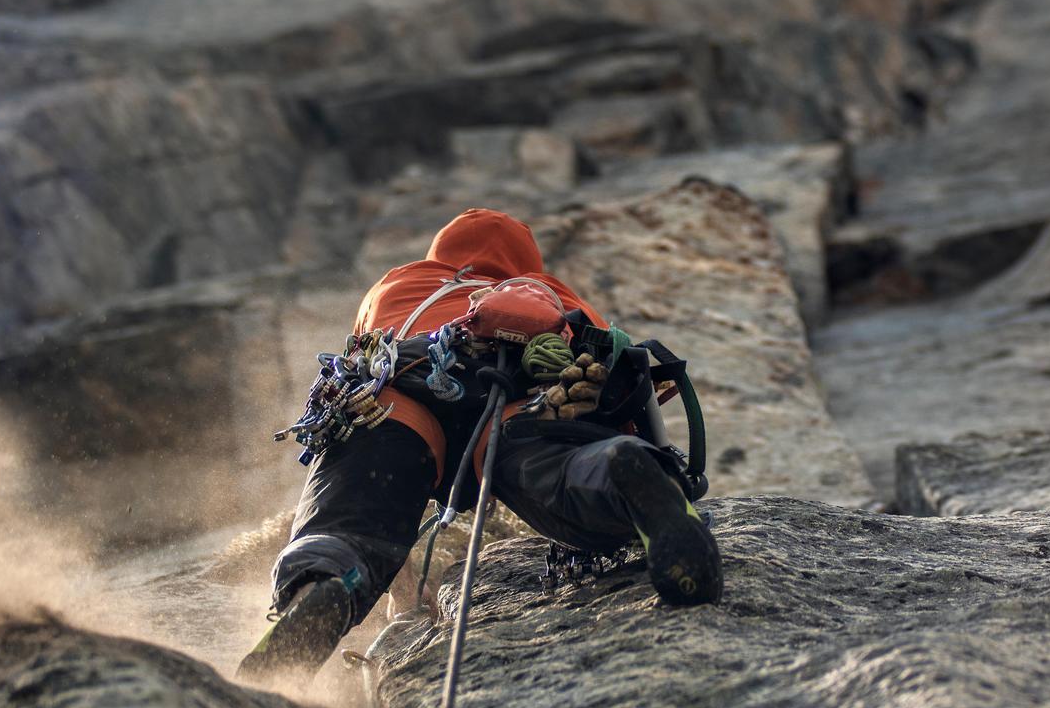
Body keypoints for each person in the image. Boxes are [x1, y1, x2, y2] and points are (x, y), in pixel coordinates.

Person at [239, 207, 722, 683]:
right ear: (524, 263)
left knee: (352, 515)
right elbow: (609, 373)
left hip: (400, 396)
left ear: (443, 252)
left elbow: (361, 351)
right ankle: (617, 471)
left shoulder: (399, 283)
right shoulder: (551, 295)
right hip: (519, 399)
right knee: (563, 467)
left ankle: (326, 581)